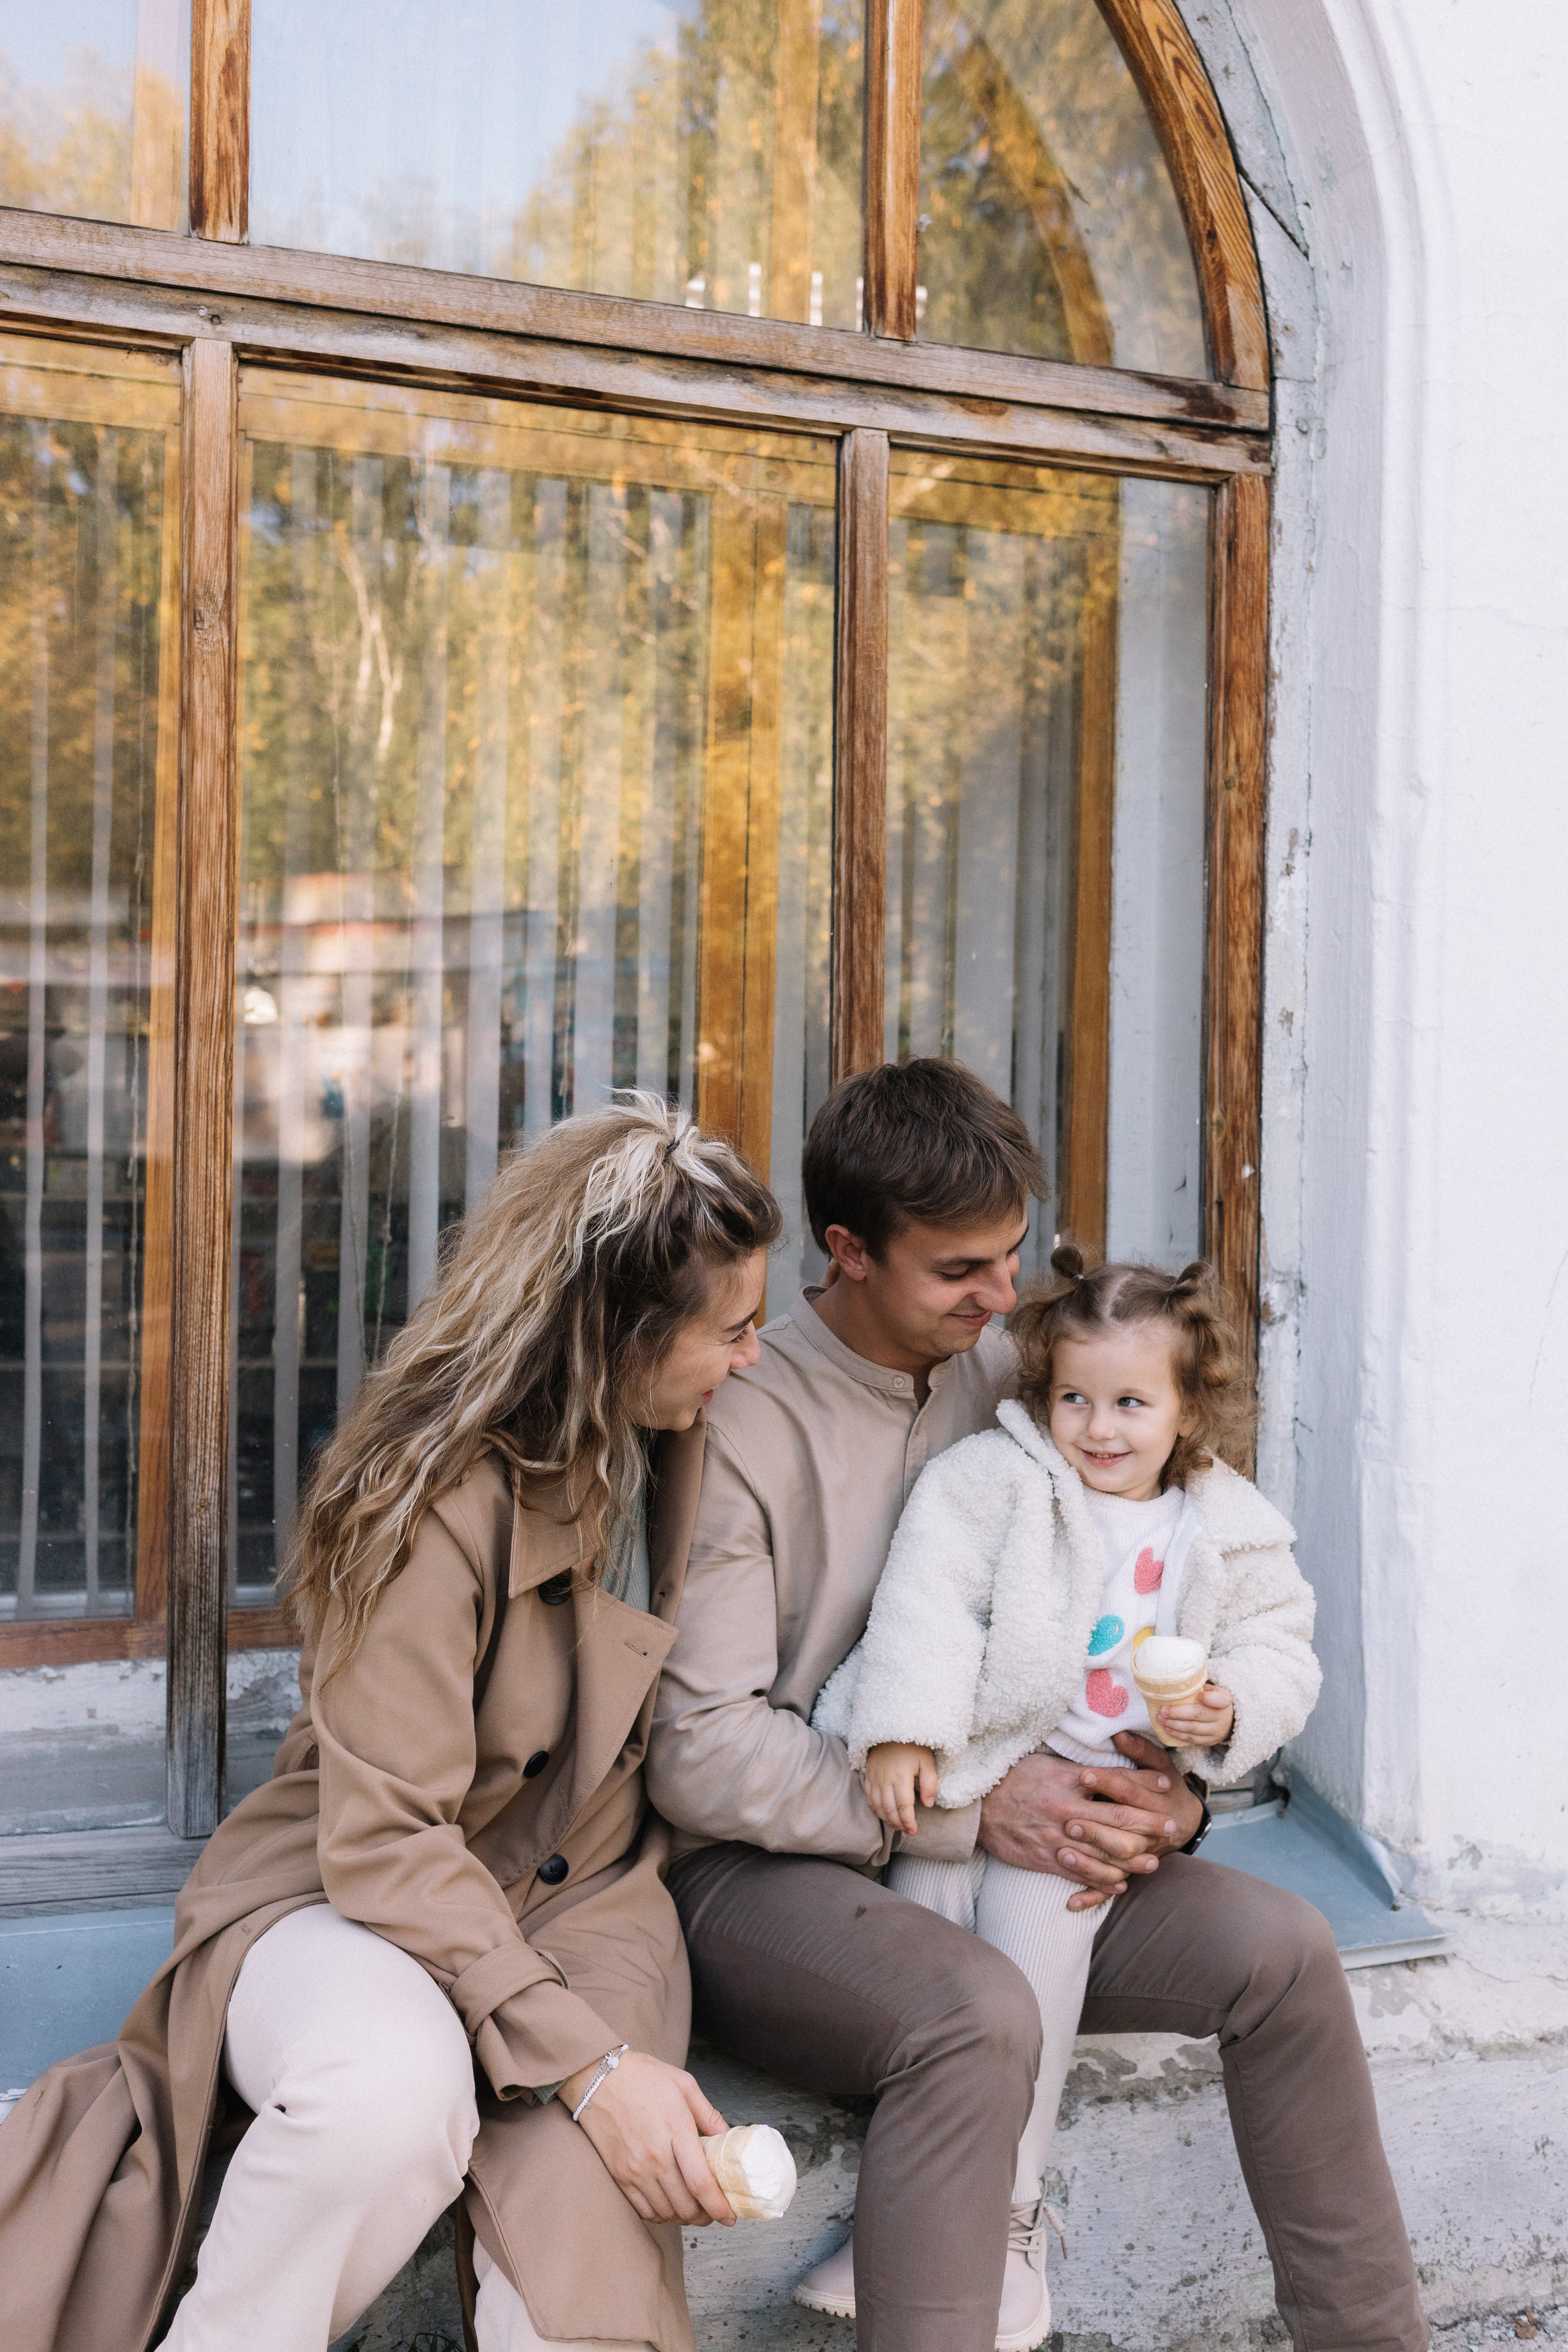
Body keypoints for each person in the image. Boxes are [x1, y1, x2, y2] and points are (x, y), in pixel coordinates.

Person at [646, 1056, 1430, 2352]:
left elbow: (1160, 1594)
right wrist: (969, 1809)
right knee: (973, 2011)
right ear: (847, 1251)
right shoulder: (736, 1416)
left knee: (1281, 1951)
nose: (1001, 1297)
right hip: (761, 1879)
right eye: (960, 1270)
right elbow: (699, 1752)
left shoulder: (1030, 1381)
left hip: (1003, 1870)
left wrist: (1158, 1796)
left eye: (1010, 1259)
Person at [0, 1096, 780, 2352]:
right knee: (385, 2103)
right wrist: (586, 2065)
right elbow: (384, 1841)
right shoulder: (427, 1499)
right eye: (731, 1330)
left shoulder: (682, 1439)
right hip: (347, 1890)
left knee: (591, 2255)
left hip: (583, 1908)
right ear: (616, 1339)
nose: (754, 1356)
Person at [814, 1248, 1323, 2347]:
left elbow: (1280, 1642)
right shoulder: (994, 1483)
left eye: (1133, 1402)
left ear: (1189, 1412)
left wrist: (1228, 1710)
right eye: (1074, 1399)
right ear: (1041, 1398)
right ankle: (910, 2221)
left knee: (1024, 1988)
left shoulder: (1222, 1522)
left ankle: (1006, 2226)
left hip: (1089, 1819)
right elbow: (929, 1603)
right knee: (935, 1965)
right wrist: (904, 1729)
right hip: (986, 1770)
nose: (1099, 1428)